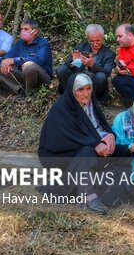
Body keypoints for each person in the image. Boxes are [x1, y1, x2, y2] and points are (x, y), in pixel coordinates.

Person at [38, 73, 115, 215]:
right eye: (80, 90)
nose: (86, 94)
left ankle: (75, 187)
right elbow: (63, 138)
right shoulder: (61, 108)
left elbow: (98, 126)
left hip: (77, 148)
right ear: (72, 91)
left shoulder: (90, 104)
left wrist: (110, 135)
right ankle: (88, 195)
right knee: (87, 152)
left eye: (88, 88)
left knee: (104, 152)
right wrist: (94, 143)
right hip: (55, 154)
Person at [0, 18, 52, 97]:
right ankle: (20, 90)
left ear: (35, 31)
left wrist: (14, 61)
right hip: (25, 75)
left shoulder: (43, 43)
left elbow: (38, 60)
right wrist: (6, 62)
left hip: (42, 77)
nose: (23, 31)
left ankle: (30, 93)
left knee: (29, 65)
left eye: (26, 29)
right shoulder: (20, 43)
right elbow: (7, 57)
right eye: (22, 29)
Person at [56, 24, 115, 102]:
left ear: (102, 37)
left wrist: (92, 65)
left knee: (101, 76)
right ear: (88, 39)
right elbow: (67, 64)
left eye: (98, 40)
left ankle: (92, 101)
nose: (95, 43)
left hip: (93, 81)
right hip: (77, 77)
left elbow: (107, 73)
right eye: (92, 41)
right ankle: (70, 96)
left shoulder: (109, 53)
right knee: (61, 69)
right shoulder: (81, 47)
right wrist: (75, 62)